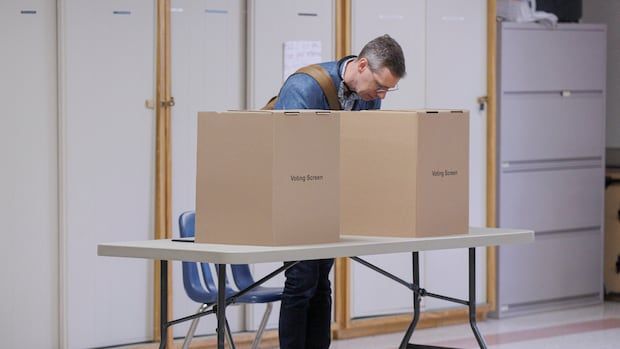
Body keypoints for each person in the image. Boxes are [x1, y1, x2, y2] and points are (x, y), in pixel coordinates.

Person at [274, 34, 406, 349]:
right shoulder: (304, 87)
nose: (382, 96)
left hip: (329, 202)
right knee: (300, 282)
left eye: (389, 89)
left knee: (320, 284)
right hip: (295, 200)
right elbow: (287, 151)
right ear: (362, 65)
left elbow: (361, 150)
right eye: (380, 86)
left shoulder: (369, 96)